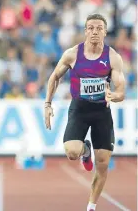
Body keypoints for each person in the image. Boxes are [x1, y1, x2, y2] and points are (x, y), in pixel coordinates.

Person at [44, 14, 125, 211]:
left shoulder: (113, 57)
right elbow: (54, 77)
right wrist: (47, 104)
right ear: (85, 31)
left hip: (101, 113)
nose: (95, 31)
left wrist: (114, 95)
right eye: (90, 28)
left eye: (99, 28)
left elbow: (121, 89)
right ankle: (85, 150)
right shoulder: (72, 54)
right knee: (72, 151)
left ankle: (91, 206)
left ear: (105, 32)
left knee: (103, 163)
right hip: (79, 109)